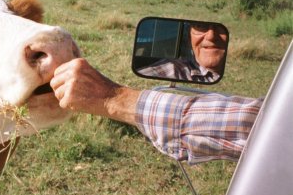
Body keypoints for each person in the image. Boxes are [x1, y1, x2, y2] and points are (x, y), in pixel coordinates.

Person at [50, 58, 263, 164]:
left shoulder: (271, 129)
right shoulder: (170, 67)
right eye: (199, 29)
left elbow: (266, 128)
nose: (209, 37)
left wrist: (112, 98)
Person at [136, 22, 228, 83]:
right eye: (200, 26)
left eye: (220, 28)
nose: (211, 36)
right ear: (189, 38)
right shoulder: (175, 69)